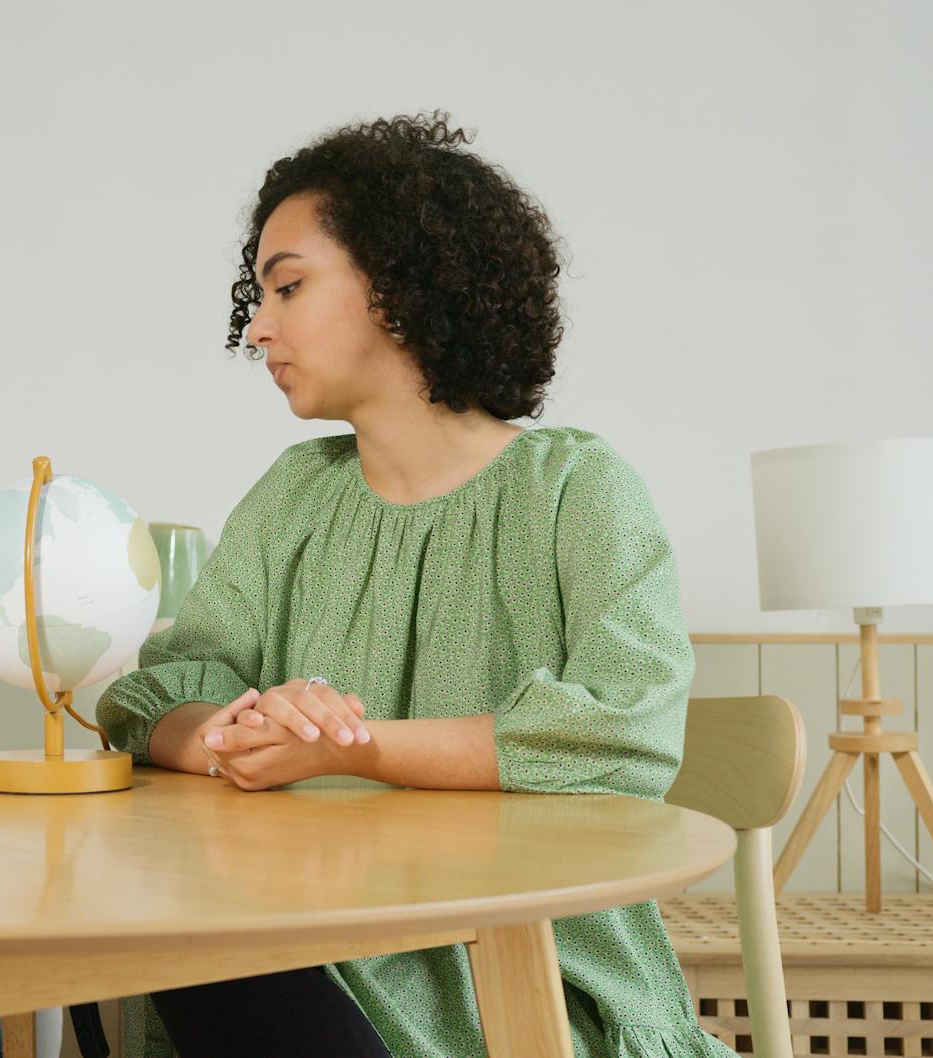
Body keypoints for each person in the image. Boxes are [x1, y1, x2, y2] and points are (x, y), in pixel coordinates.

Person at [96, 113, 733, 1058]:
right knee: (169, 944)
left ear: (398, 288)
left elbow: (621, 731)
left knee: (203, 963)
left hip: (517, 957)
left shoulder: (574, 489)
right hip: (302, 933)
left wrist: (347, 748)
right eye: (258, 296)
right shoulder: (293, 496)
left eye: (289, 287)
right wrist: (233, 735)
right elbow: (160, 692)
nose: (256, 327)